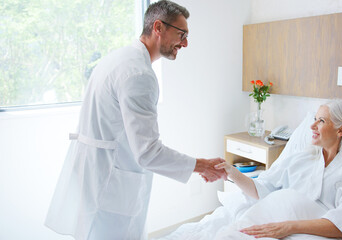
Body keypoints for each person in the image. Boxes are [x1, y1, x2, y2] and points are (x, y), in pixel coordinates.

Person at [45, 1, 226, 240]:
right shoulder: (139, 74)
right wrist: (202, 165)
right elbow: (148, 152)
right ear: (158, 27)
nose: (185, 43)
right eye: (181, 34)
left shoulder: (118, 59)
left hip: (96, 176)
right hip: (111, 186)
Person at [210, 99, 342, 240]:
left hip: (305, 232)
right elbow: (262, 189)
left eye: (321, 121)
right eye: (314, 118)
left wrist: (288, 226)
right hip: (275, 220)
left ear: (341, 130)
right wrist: (232, 172)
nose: (312, 126)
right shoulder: (301, 159)